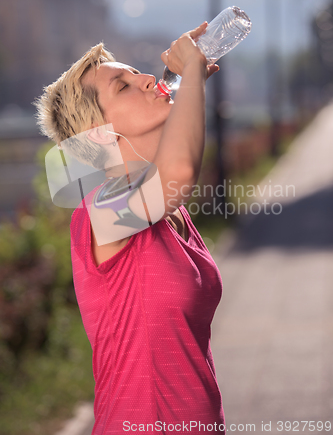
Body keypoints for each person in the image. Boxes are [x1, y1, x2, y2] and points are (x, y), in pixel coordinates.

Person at [34, 23, 225, 434]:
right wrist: (190, 78)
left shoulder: (169, 212)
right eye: (122, 86)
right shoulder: (99, 212)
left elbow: (174, 170)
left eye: (133, 71)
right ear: (99, 135)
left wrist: (189, 80)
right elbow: (179, 171)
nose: (145, 78)